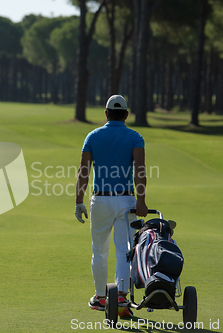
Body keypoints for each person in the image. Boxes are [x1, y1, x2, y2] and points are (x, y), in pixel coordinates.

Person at [74, 95, 148, 317]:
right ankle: (122, 300)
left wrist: (78, 201)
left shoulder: (93, 136)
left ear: (106, 113)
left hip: (101, 199)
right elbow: (140, 171)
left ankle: (101, 297)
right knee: (125, 251)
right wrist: (142, 201)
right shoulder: (135, 137)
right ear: (126, 114)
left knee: (100, 252)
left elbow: (83, 171)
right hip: (126, 201)